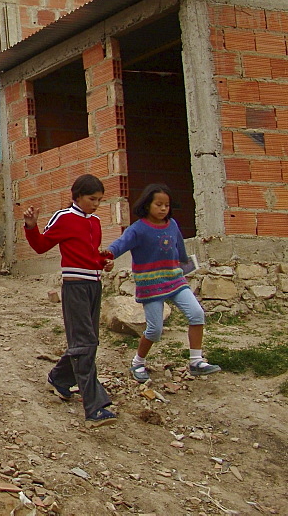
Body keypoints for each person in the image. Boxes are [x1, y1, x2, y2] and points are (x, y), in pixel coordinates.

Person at [23, 174, 117, 427]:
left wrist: (103, 263)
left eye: (99, 200)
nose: (95, 204)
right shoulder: (64, 218)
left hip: (94, 286)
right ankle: (95, 407)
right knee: (84, 342)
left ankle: (60, 379)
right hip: (75, 286)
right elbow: (41, 246)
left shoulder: (95, 222)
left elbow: (91, 254)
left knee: (87, 341)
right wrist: (31, 226)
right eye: (91, 199)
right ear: (76, 196)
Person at [102, 183, 221, 382]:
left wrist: (186, 263)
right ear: (147, 204)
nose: (163, 208)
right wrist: (108, 255)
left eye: (166, 205)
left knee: (197, 314)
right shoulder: (137, 229)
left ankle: (196, 361)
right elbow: (120, 244)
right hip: (151, 285)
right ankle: (138, 363)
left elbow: (179, 247)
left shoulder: (172, 224)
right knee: (154, 329)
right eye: (159, 204)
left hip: (175, 280)